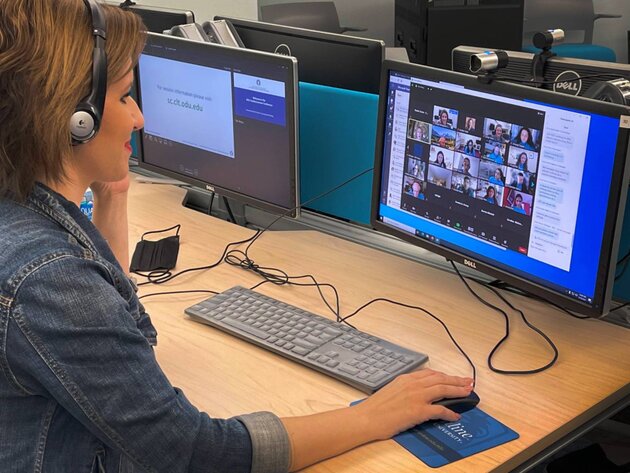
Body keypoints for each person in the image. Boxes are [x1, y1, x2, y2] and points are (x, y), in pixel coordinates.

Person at [0, 2, 474, 471]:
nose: (140, 119)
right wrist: (374, 416)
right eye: (125, 97)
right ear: (73, 118)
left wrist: (113, 195)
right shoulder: (52, 278)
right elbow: (198, 454)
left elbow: (128, 331)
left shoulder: (21, 219)